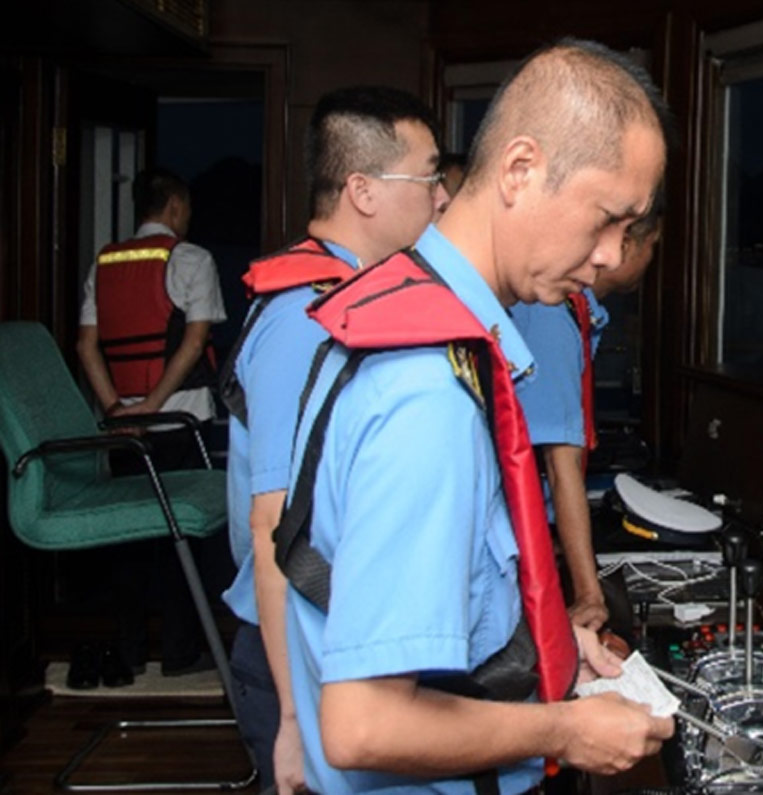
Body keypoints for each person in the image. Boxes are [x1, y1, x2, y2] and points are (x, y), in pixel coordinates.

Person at [281, 39, 673, 793]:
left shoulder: (400, 315)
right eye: (607, 219)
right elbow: (365, 723)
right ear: (521, 170)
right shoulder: (426, 394)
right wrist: (566, 729)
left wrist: (549, 650)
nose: (610, 255)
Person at [222, 86, 448, 793]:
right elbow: (271, 528)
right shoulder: (305, 319)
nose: (443, 198)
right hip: (293, 650)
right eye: (431, 176)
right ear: (363, 190)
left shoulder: (346, 299)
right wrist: (296, 717)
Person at [74, 167, 226, 686]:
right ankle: (181, 653)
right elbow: (196, 339)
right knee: (189, 533)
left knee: (132, 542)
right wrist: (155, 404)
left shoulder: (104, 264)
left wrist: (117, 407)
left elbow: (85, 346)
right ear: (177, 207)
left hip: (123, 432)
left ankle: (132, 651)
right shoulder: (192, 259)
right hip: (179, 419)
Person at [509, 200, 663, 630]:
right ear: (626, 244)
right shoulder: (551, 318)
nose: (651, 260)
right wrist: (590, 595)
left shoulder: (577, 314)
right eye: (652, 246)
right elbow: (561, 467)